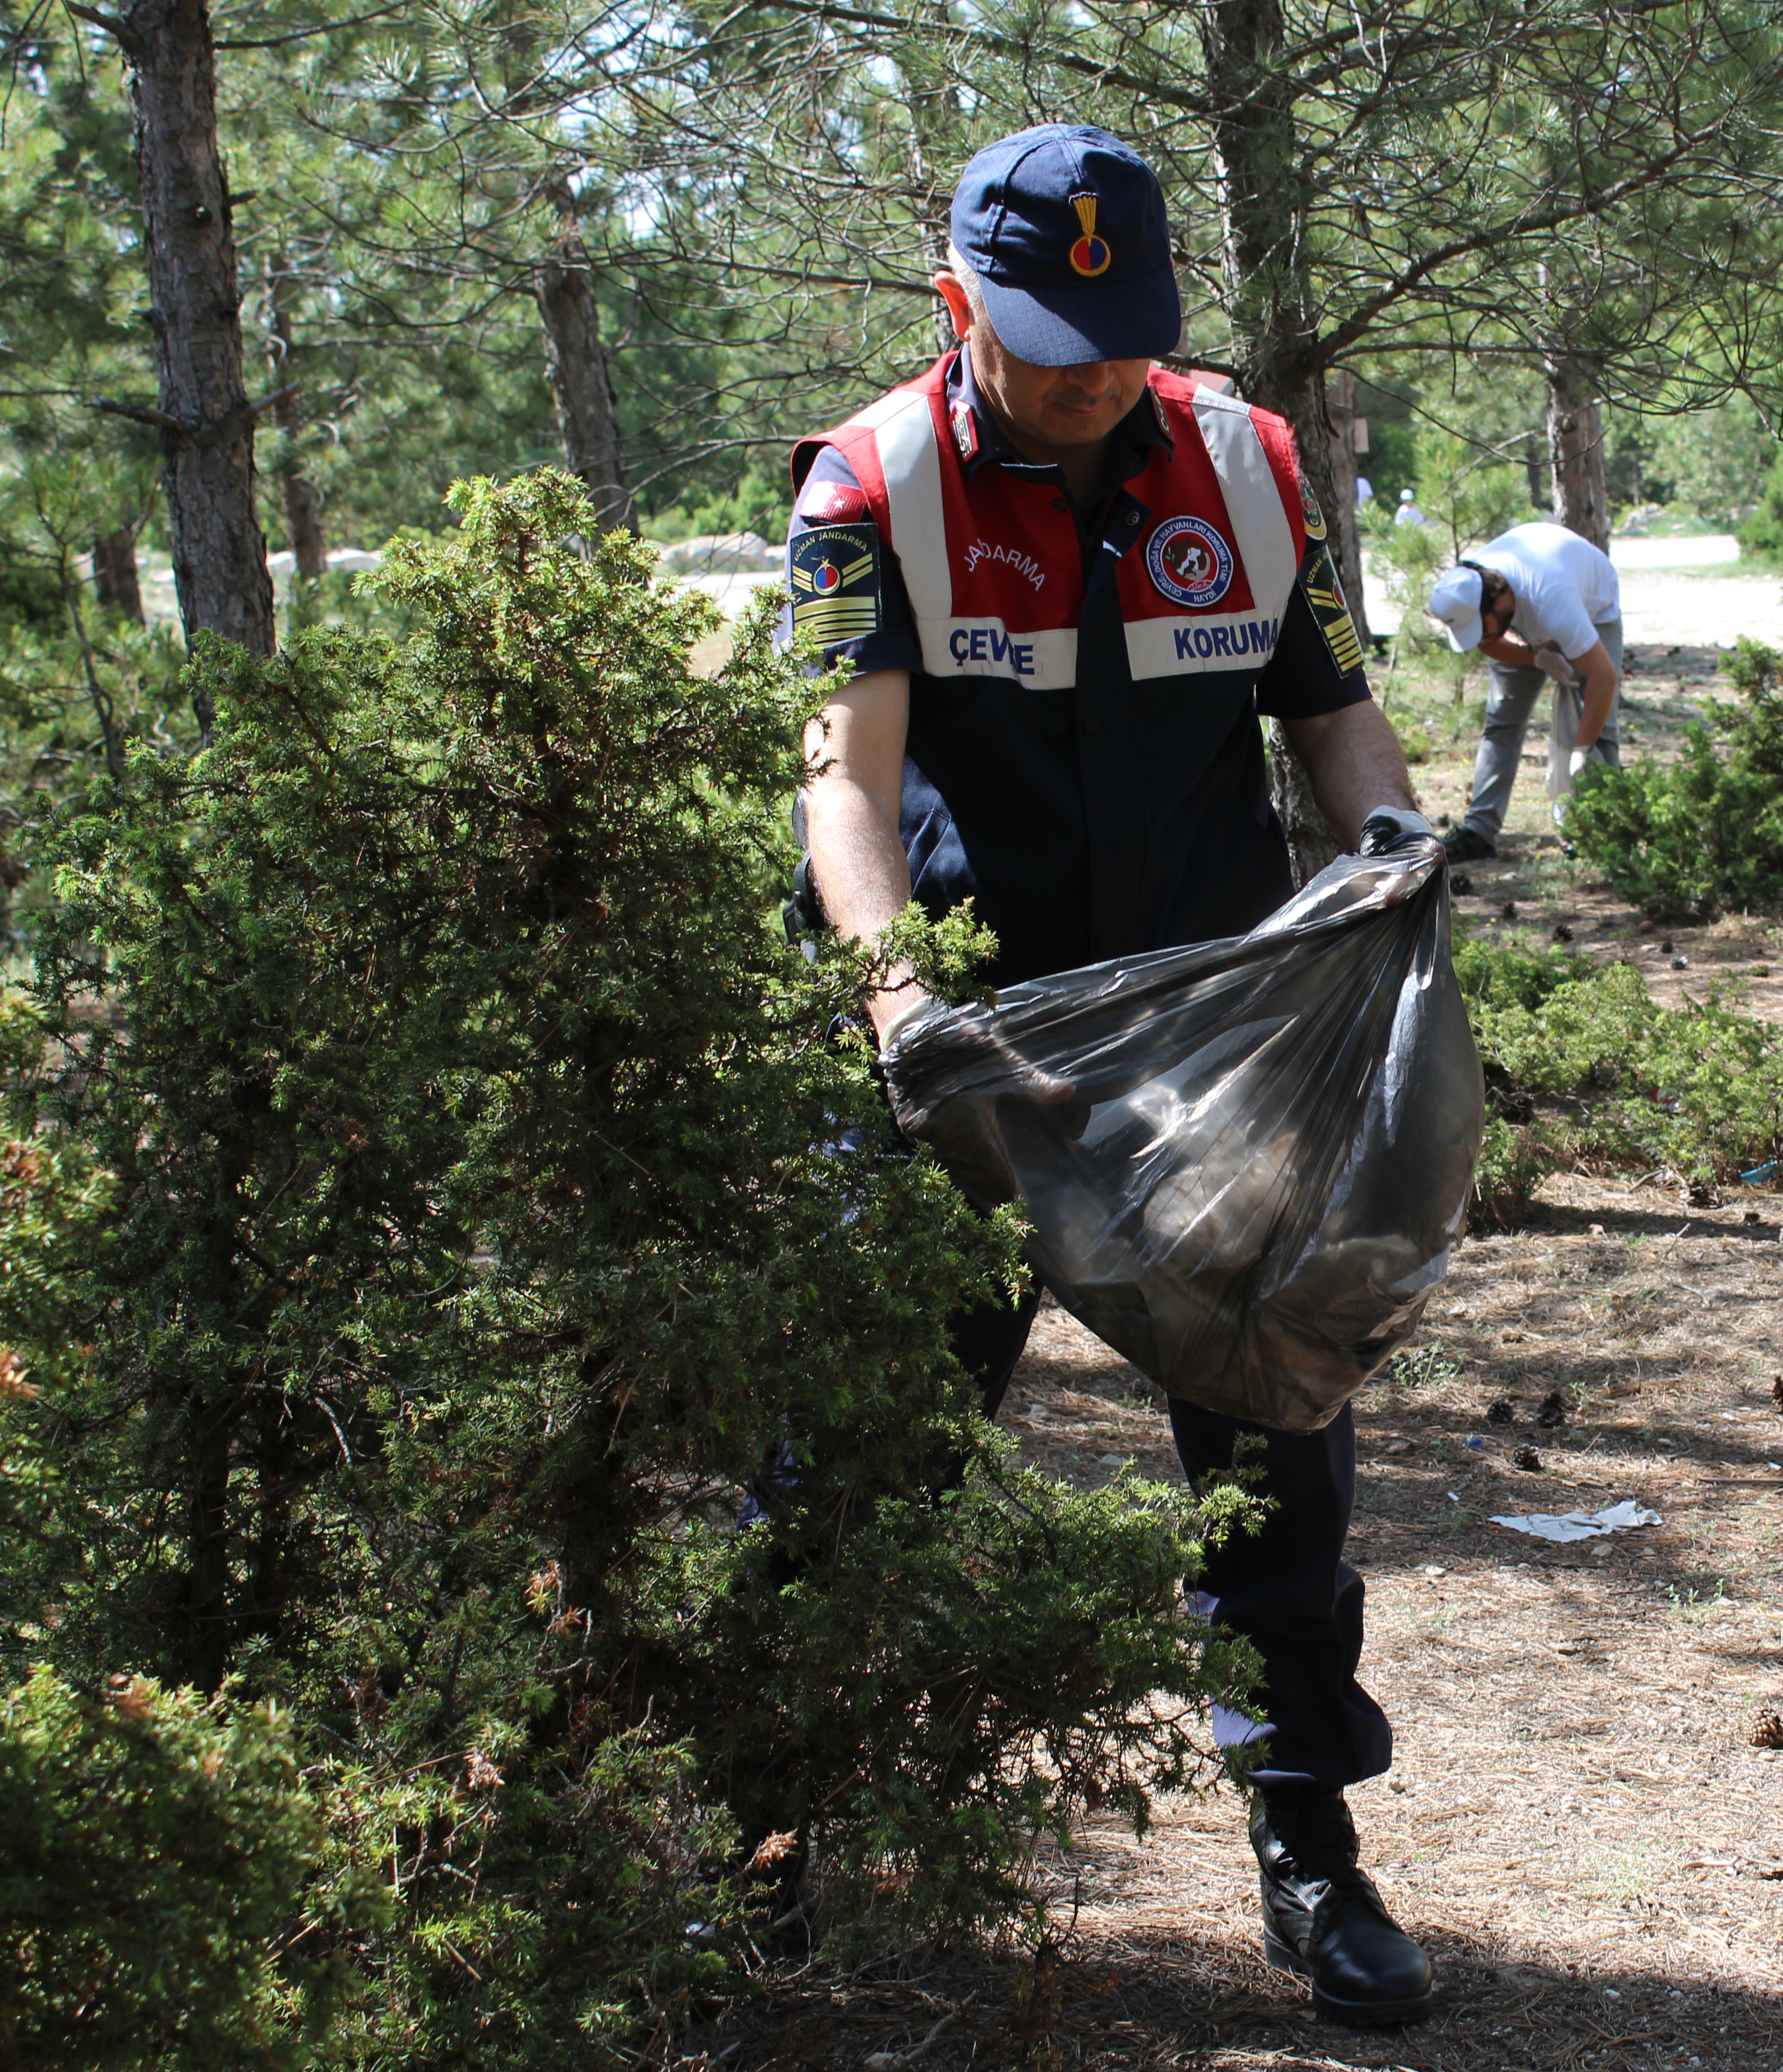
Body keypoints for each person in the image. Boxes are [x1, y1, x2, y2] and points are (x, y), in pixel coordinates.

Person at [779, 122, 1433, 2028]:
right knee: (862, 1459)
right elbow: (846, 777)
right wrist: (902, 1005)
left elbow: (1329, 713)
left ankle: (1311, 1851)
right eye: (1049, 335)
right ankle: (773, 1828)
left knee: (1278, 1460)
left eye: (1122, 334)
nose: (1088, 372)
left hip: (1215, 1047)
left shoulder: (1245, 461)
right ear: (953, 303)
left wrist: (1394, 842)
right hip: (964, 1052)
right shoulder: (867, 486)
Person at [1423, 522, 1624, 863]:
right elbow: (1487, 641)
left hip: (1592, 605)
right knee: (1502, 721)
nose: (1478, 635)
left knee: (1598, 728)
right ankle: (1479, 832)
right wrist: (1536, 656)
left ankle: (1602, 829)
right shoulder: (1472, 586)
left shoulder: (1553, 601)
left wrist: (1582, 748)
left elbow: (1603, 680)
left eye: (1480, 623)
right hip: (1526, 614)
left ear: (1499, 600)